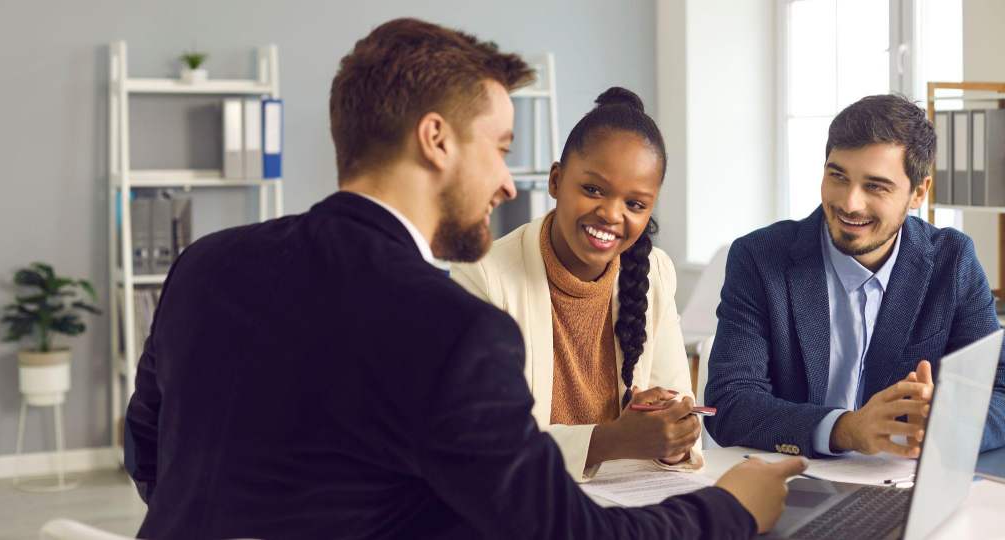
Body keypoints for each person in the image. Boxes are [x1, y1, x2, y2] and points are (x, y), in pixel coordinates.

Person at [126, 17, 805, 539]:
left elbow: (152, 457)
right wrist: (730, 509)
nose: (509, 182)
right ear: (436, 139)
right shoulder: (455, 329)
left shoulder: (206, 265)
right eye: (502, 148)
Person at [704, 94, 1005, 459]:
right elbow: (729, 403)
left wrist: (944, 424)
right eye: (838, 176)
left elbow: (999, 390)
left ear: (918, 193)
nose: (850, 203)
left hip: (902, 484)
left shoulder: (952, 261)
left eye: (875, 186)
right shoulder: (759, 258)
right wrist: (845, 429)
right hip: (789, 480)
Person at [451, 87, 702, 482]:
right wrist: (613, 440)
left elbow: (682, 433)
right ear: (556, 180)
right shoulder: (483, 275)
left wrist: (670, 435)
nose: (610, 214)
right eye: (593, 190)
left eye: (635, 204)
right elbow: (482, 443)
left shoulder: (654, 271)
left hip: (624, 504)